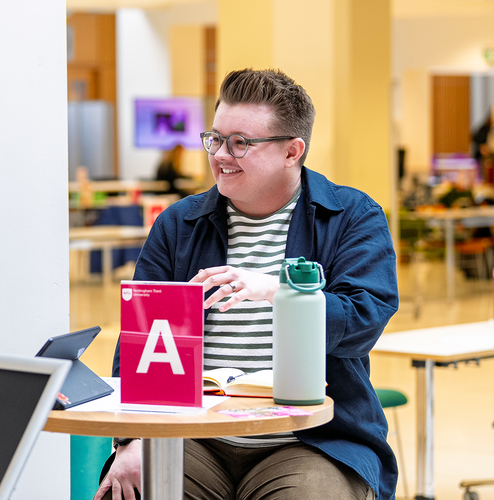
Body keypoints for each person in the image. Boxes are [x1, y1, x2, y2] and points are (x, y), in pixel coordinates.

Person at [94, 68, 399, 500]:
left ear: (293, 151)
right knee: (129, 490)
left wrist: (281, 292)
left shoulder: (352, 216)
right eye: (215, 139)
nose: (220, 154)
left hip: (311, 440)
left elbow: (364, 321)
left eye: (241, 142)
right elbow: (139, 343)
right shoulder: (179, 224)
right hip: (192, 435)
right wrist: (131, 439)